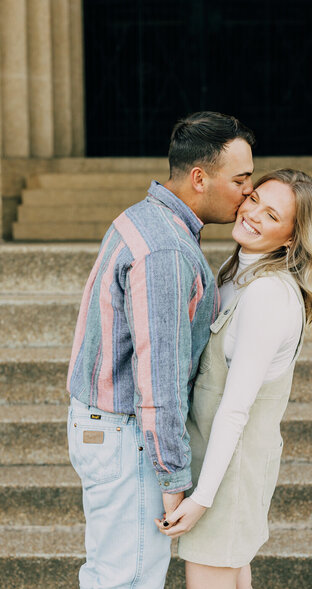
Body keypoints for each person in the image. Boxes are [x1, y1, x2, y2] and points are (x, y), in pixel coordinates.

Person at [66, 111, 255, 589]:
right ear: (199, 178)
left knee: (115, 576)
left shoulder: (143, 219)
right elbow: (160, 376)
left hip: (109, 428)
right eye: (240, 180)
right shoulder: (166, 250)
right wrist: (173, 476)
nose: (248, 194)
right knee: (126, 581)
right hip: (128, 435)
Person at [156, 169, 312, 589]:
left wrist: (202, 499)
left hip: (227, 476)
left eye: (272, 215)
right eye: (254, 198)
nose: (252, 213)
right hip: (217, 467)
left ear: (292, 237)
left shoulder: (268, 295)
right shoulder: (235, 270)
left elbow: (236, 407)